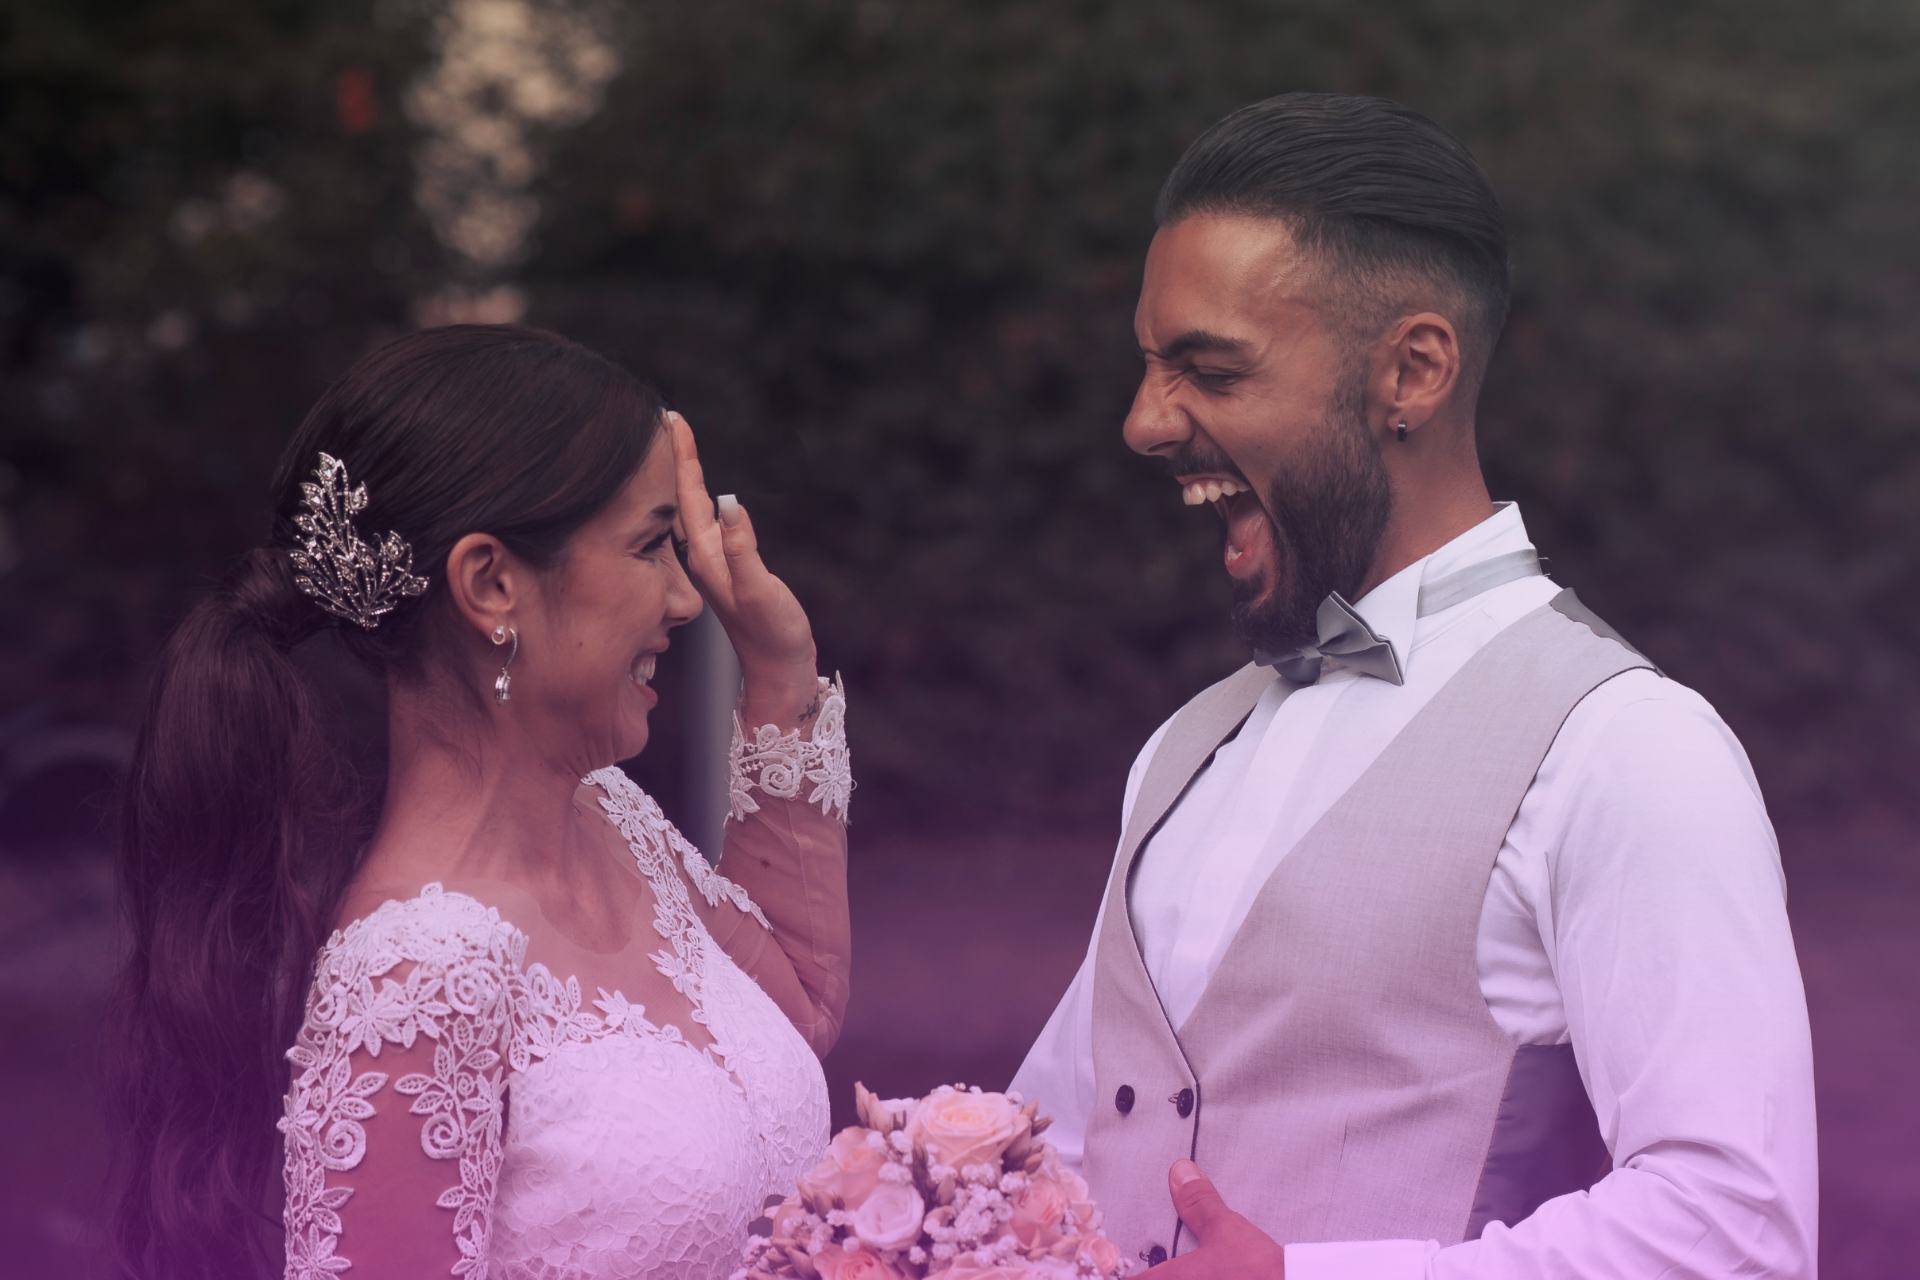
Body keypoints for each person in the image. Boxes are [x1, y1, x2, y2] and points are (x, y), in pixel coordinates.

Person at [1010, 94, 1816, 1279]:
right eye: (1147, 367)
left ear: (1414, 370)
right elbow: (1058, 1143)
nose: (1143, 422)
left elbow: (1736, 1232)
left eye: (1209, 371)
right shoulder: (1184, 747)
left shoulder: (1625, 745)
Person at [111, 325, 852, 1280]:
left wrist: (781, 675)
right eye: (652, 547)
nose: (684, 597)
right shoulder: (412, 982)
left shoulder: (615, 821)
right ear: (491, 583)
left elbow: (803, 1008)